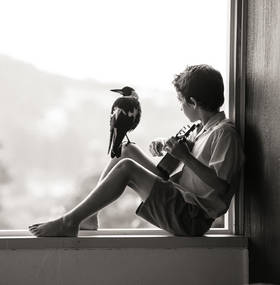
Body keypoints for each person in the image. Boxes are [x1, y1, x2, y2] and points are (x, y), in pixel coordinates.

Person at [28, 64, 244, 237]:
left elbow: (221, 187)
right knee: (126, 149)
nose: (180, 107)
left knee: (127, 168)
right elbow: (189, 160)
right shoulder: (203, 129)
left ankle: (69, 221)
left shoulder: (225, 133)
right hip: (179, 196)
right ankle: (90, 217)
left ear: (194, 102)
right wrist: (167, 147)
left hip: (191, 216)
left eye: (181, 101)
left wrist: (185, 157)